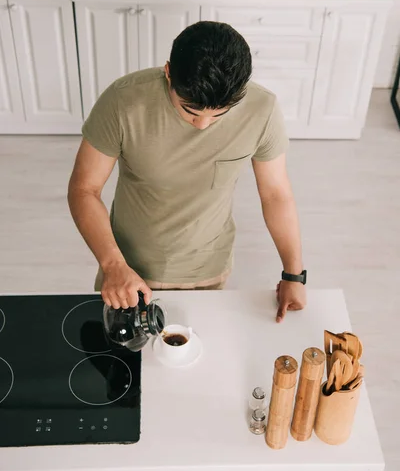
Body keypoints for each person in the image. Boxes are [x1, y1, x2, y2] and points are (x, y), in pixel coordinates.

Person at [68, 21, 306, 323]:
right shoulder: (123, 102)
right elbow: (84, 189)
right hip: (126, 266)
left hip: (208, 269)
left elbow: (276, 195)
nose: (202, 125)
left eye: (219, 115)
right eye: (190, 111)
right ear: (168, 72)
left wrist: (294, 275)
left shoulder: (263, 109)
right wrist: (113, 264)